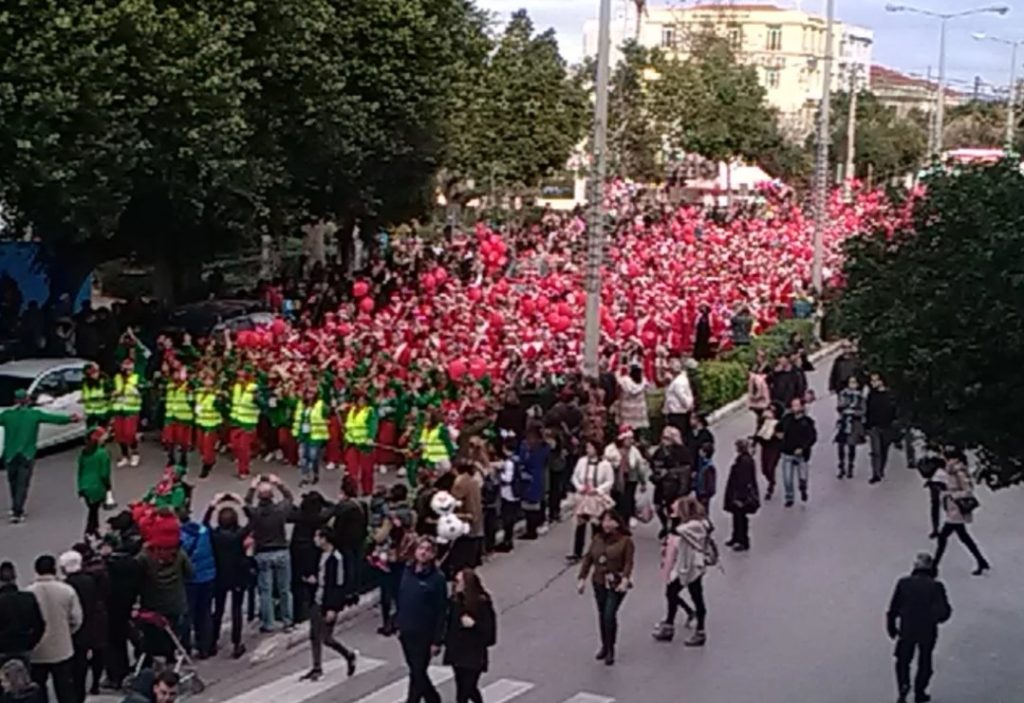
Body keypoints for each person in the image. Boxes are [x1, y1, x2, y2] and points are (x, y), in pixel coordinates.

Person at [0, 390, 78, 523]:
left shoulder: (7, 415)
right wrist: (70, 419)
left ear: (15, 400)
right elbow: (54, 419)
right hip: (27, 454)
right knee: (22, 484)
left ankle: (15, 507)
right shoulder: (34, 415)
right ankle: (18, 511)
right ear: (28, 400)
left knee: (13, 482)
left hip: (10, 455)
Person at [886, 553, 952, 703]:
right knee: (925, 661)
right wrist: (935, 617)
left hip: (907, 628)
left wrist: (891, 624)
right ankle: (920, 691)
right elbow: (944, 612)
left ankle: (903, 684)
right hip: (927, 630)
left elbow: (894, 606)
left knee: (903, 660)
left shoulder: (903, 583)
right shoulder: (936, 586)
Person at [577, 510, 634, 666]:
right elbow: (588, 558)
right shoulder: (597, 539)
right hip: (599, 581)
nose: (607, 524)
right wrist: (582, 578)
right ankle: (604, 645)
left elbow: (629, 563)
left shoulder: (625, 541)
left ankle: (611, 649)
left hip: (616, 583)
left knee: (610, 614)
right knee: (602, 614)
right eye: (604, 521)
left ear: (617, 522)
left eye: (610, 521)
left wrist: (625, 579)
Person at [396, 538, 447, 703]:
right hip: (406, 631)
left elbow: (441, 611)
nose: (423, 552)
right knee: (415, 672)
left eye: (427, 550)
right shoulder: (407, 571)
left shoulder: (437, 578)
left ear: (432, 554)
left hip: (424, 634)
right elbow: (401, 598)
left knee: (418, 671)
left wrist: (437, 640)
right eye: (421, 548)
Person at [653, 496, 710, 646]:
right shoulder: (692, 524)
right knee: (672, 592)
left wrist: (672, 519)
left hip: (693, 566)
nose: (672, 508)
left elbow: (678, 531)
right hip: (684, 565)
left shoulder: (695, 525)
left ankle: (700, 631)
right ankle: (670, 624)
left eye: (676, 507)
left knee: (695, 595)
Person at [301, 529, 356, 682]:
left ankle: (348, 654)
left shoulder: (336, 558)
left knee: (327, 638)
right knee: (314, 635)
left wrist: (333, 607)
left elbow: (338, 585)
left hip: (328, 602)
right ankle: (316, 667)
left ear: (325, 539)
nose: (315, 540)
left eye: (317, 537)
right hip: (316, 599)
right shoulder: (319, 554)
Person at [26, 555, 81, 703]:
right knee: (65, 689)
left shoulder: (28, 592)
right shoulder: (67, 590)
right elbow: (76, 619)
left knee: (39, 687)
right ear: (54, 569)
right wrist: (67, 633)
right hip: (62, 648)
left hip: (37, 650)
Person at [244, 474, 295, 632]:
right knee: (284, 589)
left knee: (265, 591)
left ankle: (268, 623)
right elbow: (289, 498)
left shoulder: (256, 513)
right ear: (272, 496)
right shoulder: (280, 510)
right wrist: (279, 483)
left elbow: (245, 504)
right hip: (281, 550)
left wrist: (252, 487)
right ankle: (288, 621)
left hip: (263, 553)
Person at [203, 495, 249, 659]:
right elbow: (253, 522)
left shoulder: (215, 536)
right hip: (238, 575)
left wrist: (212, 505)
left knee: (218, 609)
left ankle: (212, 642)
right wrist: (243, 503)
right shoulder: (238, 535)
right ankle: (236, 643)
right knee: (237, 609)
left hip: (220, 576)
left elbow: (205, 524)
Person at [933, 450, 990, 576]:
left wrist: (952, 495)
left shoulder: (958, 470)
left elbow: (968, 489)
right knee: (963, 537)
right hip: (954, 508)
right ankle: (981, 561)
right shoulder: (952, 469)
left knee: (944, 537)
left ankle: (934, 566)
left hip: (957, 509)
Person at [443, 569, 497, 703]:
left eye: (459, 581)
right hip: (457, 653)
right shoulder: (454, 602)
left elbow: (490, 635)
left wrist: (474, 625)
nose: (456, 584)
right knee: (464, 688)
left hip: (474, 655)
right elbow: (448, 625)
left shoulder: (482, 603)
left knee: (467, 688)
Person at [57, 551, 99, 703]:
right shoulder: (90, 580)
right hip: (90, 626)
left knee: (71, 667)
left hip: (73, 630)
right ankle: (82, 693)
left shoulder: (67, 586)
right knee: (82, 664)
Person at [567, 440, 615, 563]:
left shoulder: (605, 464)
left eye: (590, 447)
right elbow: (575, 476)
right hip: (584, 497)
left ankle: (597, 553)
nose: (588, 450)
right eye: (587, 447)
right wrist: (579, 487)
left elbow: (609, 481)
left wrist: (598, 490)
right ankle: (577, 552)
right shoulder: (582, 462)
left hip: (597, 498)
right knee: (580, 524)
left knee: (596, 526)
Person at [179, 513, 216, 659]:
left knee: (188, 614)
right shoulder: (204, 531)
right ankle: (205, 647)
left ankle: (186, 647)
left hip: (191, 580)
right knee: (205, 612)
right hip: (209, 576)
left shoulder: (182, 537)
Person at [329, 476, 368, 607]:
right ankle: (355, 591)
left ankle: (347, 592)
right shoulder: (362, 505)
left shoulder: (343, 507)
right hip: (359, 539)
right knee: (357, 566)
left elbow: (337, 526)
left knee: (348, 567)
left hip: (346, 541)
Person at [649, 427, 692, 539]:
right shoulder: (659, 451)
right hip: (660, 484)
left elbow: (686, 469)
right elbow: (653, 463)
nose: (664, 440)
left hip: (674, 484)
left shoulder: (682, 451)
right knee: (658, 506)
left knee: (673, 507)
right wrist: (656, 473)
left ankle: (674, 526)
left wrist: (669, 472)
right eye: (663, 437)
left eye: (667, 438)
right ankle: (664, 525)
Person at [0, 562, 45, 669]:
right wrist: (31, 643)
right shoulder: (28, 598)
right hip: (23, 647)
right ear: (15, 577)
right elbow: (40, 625)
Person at [604, 426, 649, 523]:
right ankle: (616, 520)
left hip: (630, 479)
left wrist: (643, 482)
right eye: (628, 439)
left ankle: (626, 520)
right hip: (615, 479)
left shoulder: (634, 451)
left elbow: (639, 466)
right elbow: (606, 463)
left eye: (631, 439)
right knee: (616, 501)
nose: (631, 441)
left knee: (627, 500)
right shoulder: (611, 449)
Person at [778, 397, 817, 507]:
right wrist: (779, 435)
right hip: (787, 452)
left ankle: (803, 488)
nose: (794, 408)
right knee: (787, 478)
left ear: (802, 407)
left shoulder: (808, 422)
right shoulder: (786, 419)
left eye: (797, 405)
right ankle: (789, 497)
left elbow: (812, 438)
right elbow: (778, 428)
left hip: (802, 455)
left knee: (802, 476)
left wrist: (803, 448)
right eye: (793, 405)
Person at [448, 461, 484, 575]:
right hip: (475, 518)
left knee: (463, 552)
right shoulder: (473, 481)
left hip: (465, 520)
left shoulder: (460, 482)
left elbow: (454, 501)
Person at [724, 439, 759, 552]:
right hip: (738, 493)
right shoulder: (744, 459)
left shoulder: (744, 461)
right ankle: (736, 537)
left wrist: (739, 497)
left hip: (741, 495)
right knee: (736, 517)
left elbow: (743, 481)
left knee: (740, 518)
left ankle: (742, 540)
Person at [76, 428, 112, 539]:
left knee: (92, 510)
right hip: (97, 486)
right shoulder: (102, 454)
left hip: (85, 486)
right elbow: (104, 474)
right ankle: (90, 531)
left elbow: (80, 471)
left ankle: (94, 530)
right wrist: (108, 487)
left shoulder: (84, 453)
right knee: (93, 512)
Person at [293, 387, 330, 487]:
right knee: (302, 457)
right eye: (308, 393)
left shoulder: (321, 405)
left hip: (315, 435)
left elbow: (328, 413)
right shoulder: (301, 404)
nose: (310, 395)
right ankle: (305, 477)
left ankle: (315, 474)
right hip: (303, 435)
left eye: (312, 393)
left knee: (313, 457)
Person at [110, 357, 143, 467]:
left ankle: (135, 453)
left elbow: (144, 389)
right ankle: (124, 455)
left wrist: (137, 390)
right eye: (125, 365)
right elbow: (111, 389)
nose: (127, 368)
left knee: (129, 433)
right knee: (119, 434)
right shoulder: (117, 378)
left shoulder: (137, 378)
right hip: (118, 409)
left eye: (129, 365)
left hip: (131, 409)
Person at [865, 373, 897, 484]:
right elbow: (868, 411)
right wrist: (867, 426)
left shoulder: (890, 394)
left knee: (884, 450)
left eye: (875, 380)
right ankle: (876, 473)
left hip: (887, 426)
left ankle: (881, 469)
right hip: (874, 427)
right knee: (875, 451)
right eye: (872, 381)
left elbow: (894, 410)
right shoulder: (871, 395)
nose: (873, 383)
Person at [834, 375, 866, 479]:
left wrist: (853, 412)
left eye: (854, 382)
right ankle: (841, 466)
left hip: (854, 423)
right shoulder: (843, 394)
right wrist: (842, 408)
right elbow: (839, 407)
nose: (852, 385)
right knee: (841, 445)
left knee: (852, 445)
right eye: (850, 382)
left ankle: (850, 466)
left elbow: (863, 411)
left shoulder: (860, 396)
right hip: (844, 422)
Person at [754, 402, 783, 500]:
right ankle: (770, 479)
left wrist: (774, 433)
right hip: (765, 446)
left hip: (774, 447)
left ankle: (771, 484)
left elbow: (782, 436)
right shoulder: (762, 422)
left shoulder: (779, 423)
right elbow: (757, 433)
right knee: (764, 468)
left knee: (771, 466)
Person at [662, 359, 694, 438]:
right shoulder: (678, 379)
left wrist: (688, 406)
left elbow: (683, 398)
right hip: (677, 412)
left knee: (679, 435)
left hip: (678, 413)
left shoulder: (678, 383)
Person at [615, 366, 649, 441]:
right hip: (639, 415)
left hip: (626, 414)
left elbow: (617, 390)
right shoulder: (644, 382)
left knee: (625, 434)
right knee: (637, 435)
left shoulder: (623, 381)